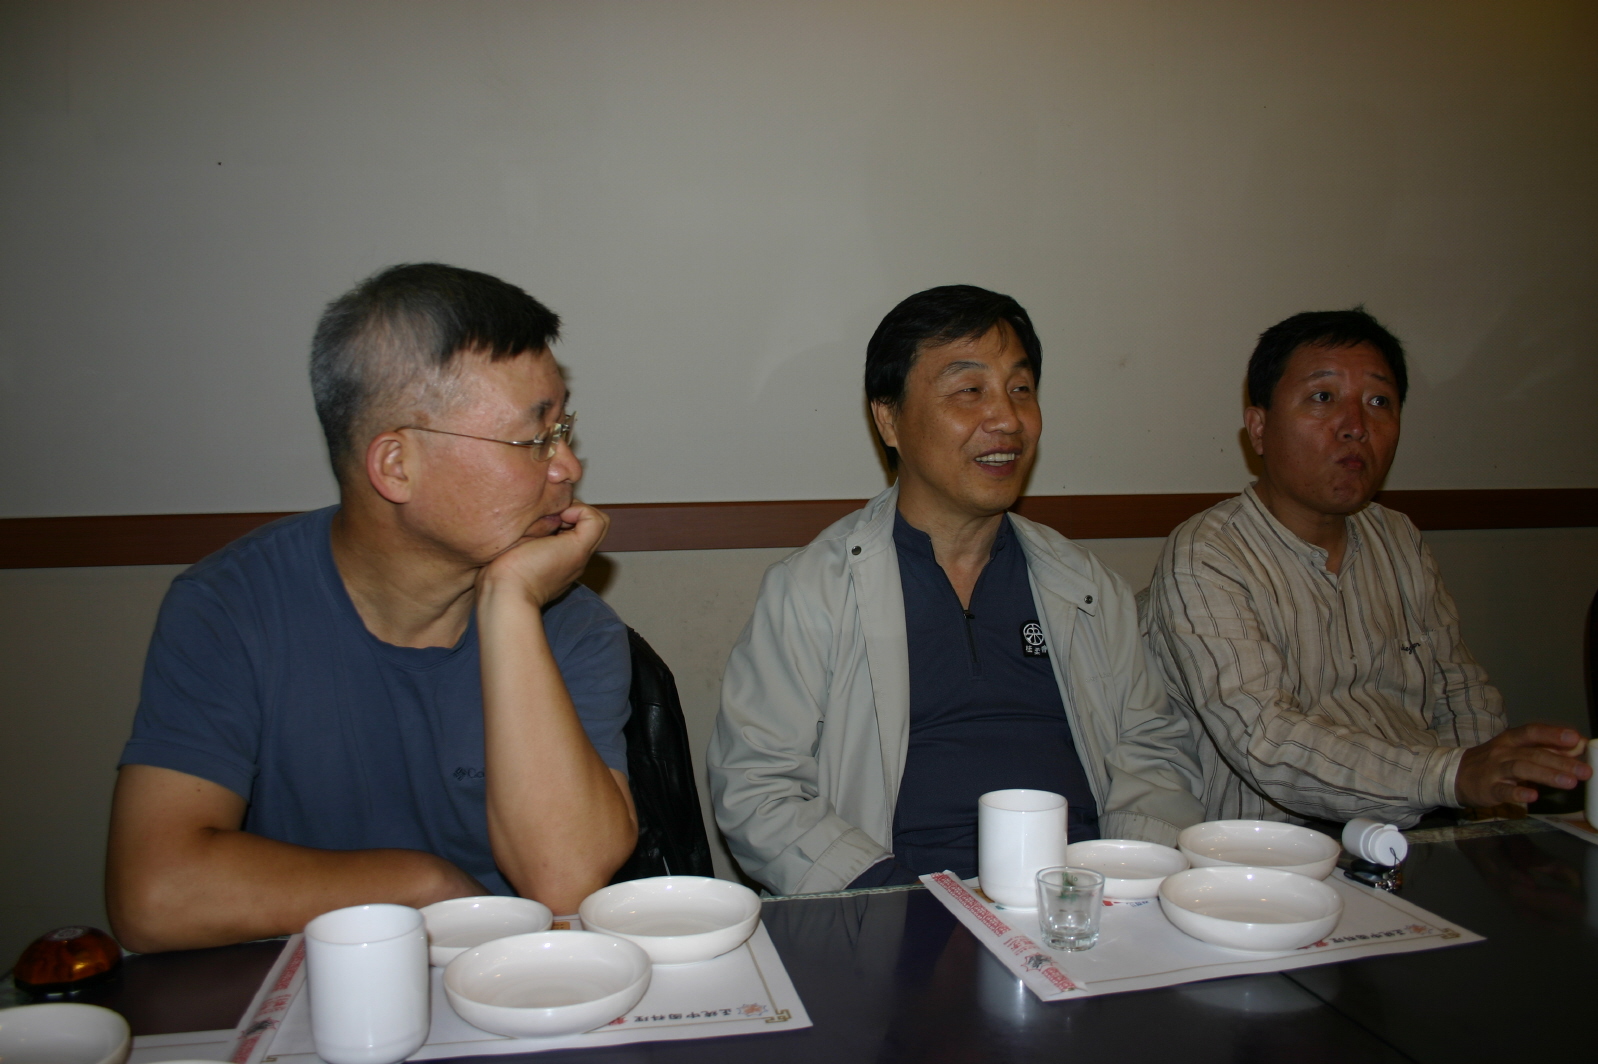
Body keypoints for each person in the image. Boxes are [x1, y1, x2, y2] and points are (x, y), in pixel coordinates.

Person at [106, 264, 638, 952]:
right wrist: (422, 887)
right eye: (534, 439)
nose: (568, 466)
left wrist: (508, 603)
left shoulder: (570, 621)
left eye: (563, 427)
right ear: (395, 467)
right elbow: (156, 894)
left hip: (511, 979)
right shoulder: (232, 608)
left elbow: (564, 883)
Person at [708, 285, 1204, 895]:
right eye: (969, 390)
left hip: (1083, 899)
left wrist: (1123, 874)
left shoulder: (1085, 586)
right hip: (899, 906)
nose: (1008, 419)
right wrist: (892, 901)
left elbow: (1156, 748)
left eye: (1020, 389)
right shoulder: (812, 591)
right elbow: (758, 786)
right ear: (888, 418)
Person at [1140, 308, 1591, 826]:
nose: (1356, 427)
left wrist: (1487, 810)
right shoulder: (1208, 554)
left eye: (1379, 402)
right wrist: (1452, 776)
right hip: (1285, 850)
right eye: (1322, 397)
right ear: (1259, 429)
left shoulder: (1398, 537)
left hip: (1425, 831)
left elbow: (1463, 694)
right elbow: (1265, 741)